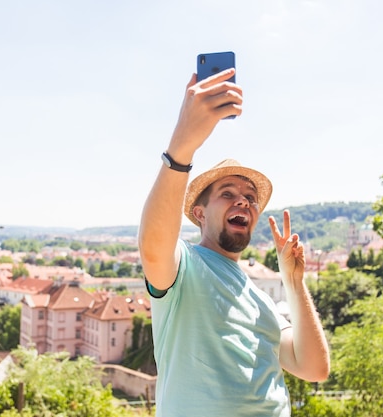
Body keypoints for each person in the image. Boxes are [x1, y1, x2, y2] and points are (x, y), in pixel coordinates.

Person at [138, 68, 330, 416]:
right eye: (227, 194)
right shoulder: (184, 268)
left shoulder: (261, 300)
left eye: (250, 197)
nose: (243, 201)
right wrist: (182, 147)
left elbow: (314, 368)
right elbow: (153, 247)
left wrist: (293, 283)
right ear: (199, 213)